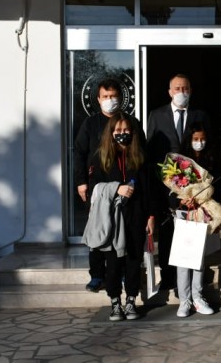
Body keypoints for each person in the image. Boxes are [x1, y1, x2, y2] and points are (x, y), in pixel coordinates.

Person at [74, 78, 143, 293]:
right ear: (98, 99)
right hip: (99, 187)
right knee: (99, 229)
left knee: (122, 232)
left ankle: (120, 273)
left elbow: (141, 154)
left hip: (126, 189)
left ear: (120, 98)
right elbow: (79, 153)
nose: (109, 100)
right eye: (105, 96)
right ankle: (97, 275)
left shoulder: (131, 123)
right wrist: (81, 182)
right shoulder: (90, 124)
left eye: (113, 96)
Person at [85, 113, 156, 321]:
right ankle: (115, 302)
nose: (122, 134)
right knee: (113, 262)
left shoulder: (141, 157)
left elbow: (150, 190)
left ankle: (131, 300)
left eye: (126, 130)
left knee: (134, 261)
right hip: (112, 217)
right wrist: (117, 188)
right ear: (111, 132)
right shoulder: (100, 157)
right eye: (118, 130)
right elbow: (94, 188)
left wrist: (151, 216)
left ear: (132, 132)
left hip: (136, 215)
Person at [147, 74, 210, 290]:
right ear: (169, 92)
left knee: (193, 233)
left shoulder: (200, 115)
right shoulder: (157, 116)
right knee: (167, 234)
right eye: (177, 88)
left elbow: (206, 148)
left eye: (185, 88)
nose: (181, 92)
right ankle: (168, 277)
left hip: (193, 188)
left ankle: (194, 278)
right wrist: (160, 181)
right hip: (166, 187)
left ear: (190, 90)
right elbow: (151, 151)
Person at [173, 123, 219, 318]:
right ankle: (184, 301)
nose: (199, 143)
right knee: (184, 258)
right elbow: (171, 187)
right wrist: (181, 199)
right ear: (189, 140)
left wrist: (201, 198)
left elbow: (214, 188)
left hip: (202, 213)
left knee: (199, 258)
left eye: (202, 139)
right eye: (195, 139)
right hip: (184, 214)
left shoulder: (210, 160)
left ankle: (198, 297)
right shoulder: (179, 162)